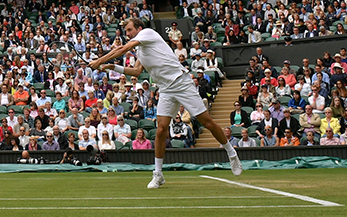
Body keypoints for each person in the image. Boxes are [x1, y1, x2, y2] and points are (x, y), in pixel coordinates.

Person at [89, 15, 241, 188]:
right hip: (166, 89)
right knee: (161, 130)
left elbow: (123, 49)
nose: (128, 33)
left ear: (138, 29)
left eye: (130, 30)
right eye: (126, 31)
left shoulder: (147, 32)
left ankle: (231, 153)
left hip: (181, 82)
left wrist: (99, 61)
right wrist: (111, 67)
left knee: (206, 121)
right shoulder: (140, 50)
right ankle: (158, 174)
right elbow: (137, 71)